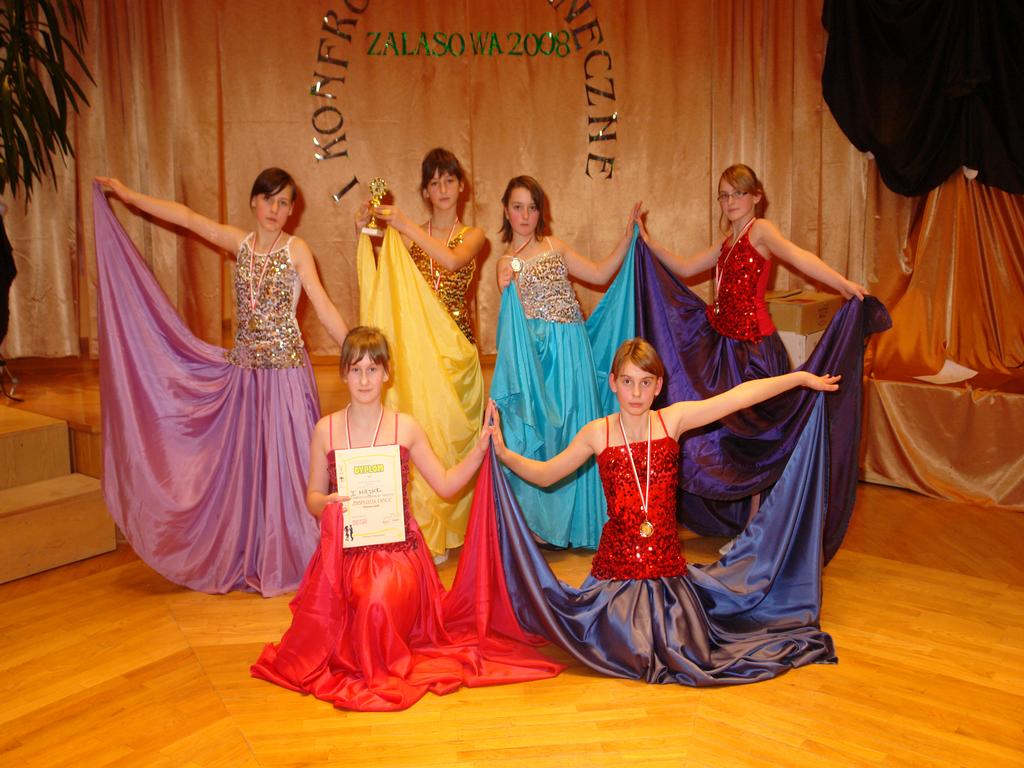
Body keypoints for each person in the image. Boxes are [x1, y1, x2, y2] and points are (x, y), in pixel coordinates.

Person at [486, 337, 838, 685]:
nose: (636, 393)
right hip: (616, 576)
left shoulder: (673, 420)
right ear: (613, 383)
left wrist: (799, 378)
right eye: (627, 381)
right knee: (625, 645)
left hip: (666, 575)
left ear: (658, 386)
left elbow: (737, 397)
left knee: (678, 646)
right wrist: (504, 454)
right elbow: (547, 474)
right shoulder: (597, 433)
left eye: (645, 383)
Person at [251, 326, 563, 711]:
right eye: (356, 369)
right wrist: (327, 502)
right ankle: (367, 653)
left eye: (372, 369)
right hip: (343, 555)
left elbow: (446, 485)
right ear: (344, 374)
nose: (364, 379)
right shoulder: (325, 430)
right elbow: (312, 497)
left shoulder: (406, 427)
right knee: (346, 607)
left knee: (376, 599)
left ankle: (379, 666)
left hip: (398, 555)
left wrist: (481, 448)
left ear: (386, 373)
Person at [93, 169, 348, 596]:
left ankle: (295, 551)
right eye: (268, 199)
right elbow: (188, 218)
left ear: (291, 210)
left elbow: (321, 305)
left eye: (284, 202)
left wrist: (354, 350)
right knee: (251, 468)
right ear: (253, 201)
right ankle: (256, 549)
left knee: (289, 467)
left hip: (285, 378)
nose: (275, 209)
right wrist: (129, 196)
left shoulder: (297, 250)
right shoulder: (240, 244)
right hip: (245, 379)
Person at [632, 164, 887, 559]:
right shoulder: (727, 240)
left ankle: (755, 531)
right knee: (725, 435)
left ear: (756, 196)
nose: (730, 201)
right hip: (725, 350)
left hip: (754, 352)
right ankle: (742, 523)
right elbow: (684, 267)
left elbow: (800, 257)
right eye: (724, 195)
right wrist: (647, 242)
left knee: (759, 439)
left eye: (738, 193)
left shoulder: (761, 231)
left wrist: (843, 285)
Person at [489, 175, 641, 550]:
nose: (526, 215)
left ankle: (579, 524)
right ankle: (542, 525)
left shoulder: (555, 246)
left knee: (578, 432)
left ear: (540, 211)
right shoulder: (507, 261)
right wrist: (505, 275)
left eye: (532, 207)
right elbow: (505, 286)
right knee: (546, 437)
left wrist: (627, 239)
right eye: (518, 207)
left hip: (573, 354)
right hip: (539, 361)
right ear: (506, 211)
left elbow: (600, 273)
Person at [353, 149, 486, 561]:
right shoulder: (408, 238)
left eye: (449, 180)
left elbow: (451, 261)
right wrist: (364, 230)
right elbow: (387, 279)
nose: (442, 189)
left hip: (457, 352)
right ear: (426, 191)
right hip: (419, 356)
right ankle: (428, 530)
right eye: (434, 182)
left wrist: (403, 224)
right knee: (424, 436)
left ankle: (454, 527)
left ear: (461, 186)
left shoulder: (474, 235)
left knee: (453, 439)